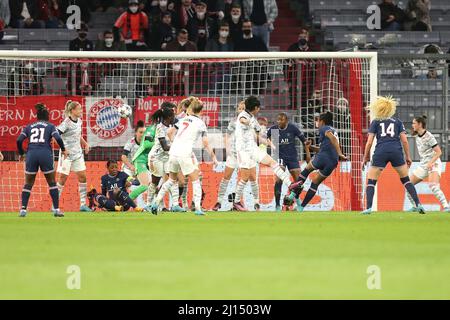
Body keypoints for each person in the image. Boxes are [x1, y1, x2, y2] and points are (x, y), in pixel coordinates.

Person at [150, 97, 218, 215]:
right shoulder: (201, 123)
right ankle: (197, 208)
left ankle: (155, 203)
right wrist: (213, 157)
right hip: (184, 153)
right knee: (196, 180)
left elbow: (170, 132)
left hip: (173, 152)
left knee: (171, 180)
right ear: (201, 111)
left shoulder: (183, 120)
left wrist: (176, 142)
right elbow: (205, 143)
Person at [360, 96, 425, 214]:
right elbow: (405, 140)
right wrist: (408, 156)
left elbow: (369, 142)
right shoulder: (398, 122)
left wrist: (365, 157)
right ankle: (418, 204)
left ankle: (368, 208)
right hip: (396, 151)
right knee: (406, 180)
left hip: (381, 152)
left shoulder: (375, 122)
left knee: (371, 181)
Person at [232, 96, 293, 211]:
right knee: (245, 177)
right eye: (258, 108)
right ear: (255, 108)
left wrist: (269, 143)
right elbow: (243, 121)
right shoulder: (244, 115)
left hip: (252, 148)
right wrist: (251, 124)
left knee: (272, 162)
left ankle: (290, 184)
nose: (259, 109)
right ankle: (236, 202)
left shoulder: (252, 117)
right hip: (243, 151)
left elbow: (257, 135)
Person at [286, 112, 347, 212]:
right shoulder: (333, 130)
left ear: (322, 121)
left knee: (305, 172)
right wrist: (310, 147)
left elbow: (332, 138)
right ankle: (301, 207)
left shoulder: (324, 129)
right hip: (332, 162)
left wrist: (340, 153)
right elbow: (323, 148)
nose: (316, 122)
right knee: (315, 183)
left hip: (323, 157)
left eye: (317, 120)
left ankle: (292, 195)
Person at [16, 103, 68, 218]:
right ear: (47, 116)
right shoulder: (50, 126)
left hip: (31, 154)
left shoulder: (29, 126)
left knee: (28, 183)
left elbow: (19, 140)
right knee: (52, 182)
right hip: (45, 154)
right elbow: (58, 138)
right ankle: (56, 210)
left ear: (37, 117)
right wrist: (63, 149)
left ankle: (23, 210)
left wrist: (21, 153)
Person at [407, 115, 449, 212]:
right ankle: (415, 206)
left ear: (420, 124)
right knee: (408, 184)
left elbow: (439, 152)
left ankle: (446, 206)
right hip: (424, 165)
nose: (412, 125)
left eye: (414, 123)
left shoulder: (429, 136)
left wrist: (430, 163)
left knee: (433, 186)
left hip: (433, 163)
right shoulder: (417, 135)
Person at [267, 112, 308, 211]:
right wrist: (270, 144)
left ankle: (297, 202)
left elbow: (304, 140)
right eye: (278, 119)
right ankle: (277, 206)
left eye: (281, 120)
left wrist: (307, 154)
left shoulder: (292, 128)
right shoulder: (273, 129)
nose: (279, 121)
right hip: (280, 157)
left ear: (286, 120)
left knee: (299, 182)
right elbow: (266, 137)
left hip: (292, 157)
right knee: (278, 180)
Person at [56, 100, 92, 212]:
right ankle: (55, 205)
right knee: (62, 179)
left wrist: (85, 144)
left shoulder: (79, 121)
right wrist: (63, 149)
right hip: (67, 155)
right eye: (79, 109)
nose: (81, 111)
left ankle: (82, 205)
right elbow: (56, 134)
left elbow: (78, 135)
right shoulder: (66, 123)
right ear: (72, 110)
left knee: (83, 177)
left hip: (77, 154)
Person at [212, 101, 245, 211]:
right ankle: (219, 202)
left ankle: (237, 202)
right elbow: (226, 136)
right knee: (226, 178)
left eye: (243, 108)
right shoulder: (233, 123)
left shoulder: (250, 123)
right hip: (234, 155)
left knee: (245, 179)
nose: (241, 110)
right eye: (239, 108)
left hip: (245, 156)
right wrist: (228, 149)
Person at [148, 105, 182, 211]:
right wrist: (178, 147)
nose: (174, 118)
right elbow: (164, 147)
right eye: (173, 116)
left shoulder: (171, 127)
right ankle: (148, 204)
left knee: (173, 179)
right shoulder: (160, 128)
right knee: (155, 181)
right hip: (156, 157)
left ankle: (175, 205)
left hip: (167, 157)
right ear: (168, 117)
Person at [121, 120, 146, 208]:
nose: (142, 134)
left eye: (144, 132)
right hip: (128, 169)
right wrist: (130, 166)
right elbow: (123, 157)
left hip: (140, 168)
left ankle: (141, 206)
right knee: (127, 184)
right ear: (136, 133)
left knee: (145, 185)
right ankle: (121, 204)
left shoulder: (147, 143)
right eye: (140, 132)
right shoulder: (130, 143)